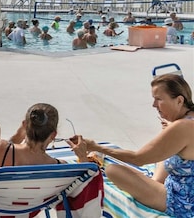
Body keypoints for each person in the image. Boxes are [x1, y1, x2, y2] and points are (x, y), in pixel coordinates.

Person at [68, 74, 194, 217]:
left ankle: (153, 184)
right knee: (163, 156)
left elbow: (138, 159)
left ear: (179, 100)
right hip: (184, 187)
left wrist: (96, 147)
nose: (154, 105)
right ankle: (154, 183)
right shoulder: (188, 121)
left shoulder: (182, 127)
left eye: (158, 99)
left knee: (113, 170)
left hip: (184, 202)